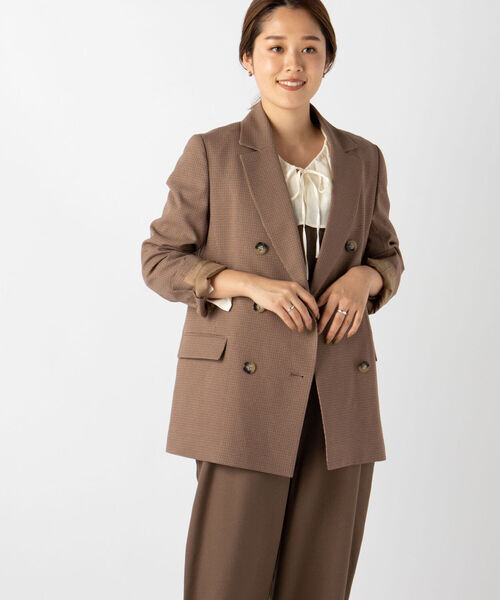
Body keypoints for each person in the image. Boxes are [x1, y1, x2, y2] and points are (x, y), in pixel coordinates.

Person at [141, 1, 405, 598]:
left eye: (310, 48)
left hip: (337, 388)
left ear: (328, 60)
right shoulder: (212, 151)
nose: (293, 63)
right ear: (247, 58)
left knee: (320, 580)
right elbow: (160, 259)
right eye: (276, 48)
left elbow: (387, 256)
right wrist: (248, 284)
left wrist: (365, 280)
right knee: (228, 579)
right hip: (243, 390)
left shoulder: (363, 159)